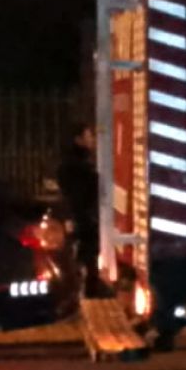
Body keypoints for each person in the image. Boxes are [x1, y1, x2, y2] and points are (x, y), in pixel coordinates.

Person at [56, 124, 101, 293]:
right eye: (89, 136)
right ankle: (89, 289)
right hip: (82, 217)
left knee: (86, 253)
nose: (93, 140)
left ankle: (88, 287)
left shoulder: (76, 162)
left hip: (81, 216)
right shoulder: (76, 165)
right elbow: (79, 194)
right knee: (86, 253)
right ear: (79, 140)